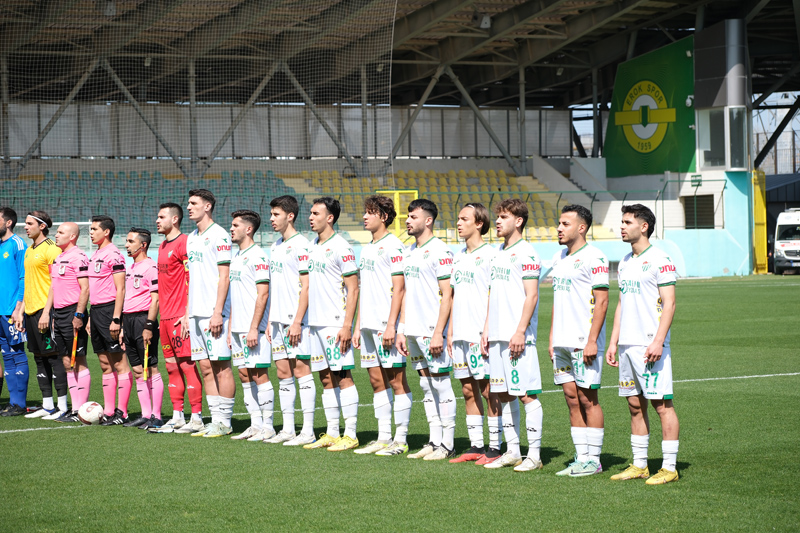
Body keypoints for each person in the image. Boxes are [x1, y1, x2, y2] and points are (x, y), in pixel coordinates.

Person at [605, 204, 680, 485]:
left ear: (644, 226)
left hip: (650, 345)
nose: (622, 227)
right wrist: (614, 341)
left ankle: (669, 468)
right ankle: (639, 465)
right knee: (635, 405)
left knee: (662, 405)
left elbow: (670, 303)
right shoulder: (625, 261)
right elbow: (622, 303)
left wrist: (658, 341)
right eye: (622, 222)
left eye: (627, 222)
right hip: (627, 345)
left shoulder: (660, 259)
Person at [480, 199, 543, 472]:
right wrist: (486, 329)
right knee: (504, 394)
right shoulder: (497, 252)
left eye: (503, 217)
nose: (497, 221)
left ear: (518, 221)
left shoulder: (527, 253)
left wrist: (520, 331)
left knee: (526, 394)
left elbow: (532, 295)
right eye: (497, 216)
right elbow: (492, 294)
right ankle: (513, 451)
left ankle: (535, 455)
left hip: (517, 336)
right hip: (497, 336)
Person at [549, 205, 609, 477]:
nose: (559, 228)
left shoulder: (595, 257)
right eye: (559, 223)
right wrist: (552, 336)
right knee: (571, 398)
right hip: (561, 341)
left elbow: (602, 301)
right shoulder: (559, 257)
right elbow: (557, 300)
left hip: (583, 341)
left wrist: (592, 341)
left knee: (588, 398)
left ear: (581, 228)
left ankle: (594, 461)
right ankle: (581, 457)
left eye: (565, 224)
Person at [396, 199, 457, 461]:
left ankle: (448, 444)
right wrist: (402, 328)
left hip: (432, 329)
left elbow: (448, 295)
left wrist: (438, 332)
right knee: (425, 383)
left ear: (428, 220)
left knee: (441, 383)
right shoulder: (409, 251)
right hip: (413, 329)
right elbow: (406, 293)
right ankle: (434, 441)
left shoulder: (440, 251)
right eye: (408, 216)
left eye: (413, 217)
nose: (408, 221)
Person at [352, 195, 412, 456]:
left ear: (384, 217)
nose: (364, 217)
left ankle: (401, 439)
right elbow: (364, 289)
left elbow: (400, 289)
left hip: (385, 325)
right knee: (377, 381)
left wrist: (392, 326)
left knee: (396, 381)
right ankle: (383, 437)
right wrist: (357, 325)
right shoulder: (367, 248)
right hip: (367, 325)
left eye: (370, 212)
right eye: (365, 212)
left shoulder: (394, 246)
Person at [447, 203, 502, 464]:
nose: (458, 223)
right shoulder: (458, 256)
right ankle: (476, 445)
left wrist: (487, 329)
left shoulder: (491, 255)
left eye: (464, 219)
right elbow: (453, 295)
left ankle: (495, 447)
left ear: (479, 223)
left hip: (480, 333)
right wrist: (450, 331)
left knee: (489, 390)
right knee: (468, 390)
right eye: (458, 219)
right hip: (459, 334)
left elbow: (494, 294)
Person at [304, 197, 360, 452]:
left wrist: (347, 325)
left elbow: (353, 289)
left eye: (316, 213)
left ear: (330, 218)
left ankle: (351, 434)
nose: (310, 217)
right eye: (310, 213)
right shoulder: (312, 246)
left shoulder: (341, 247)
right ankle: (333, 432)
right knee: (326, 378)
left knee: (342, 376)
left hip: (335, 324)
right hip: (315, 324)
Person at [264, 195, 317, 447]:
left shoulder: (302, 245)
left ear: (290, 216)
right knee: (283, 372)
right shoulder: (275, 246)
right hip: (277, 321)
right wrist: (270, 320)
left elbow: (307, 286)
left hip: (296, 321)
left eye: (276, 214)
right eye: (271, 214)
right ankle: (287, 428)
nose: (271, 219)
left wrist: (297, 321)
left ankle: (308, 430)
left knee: (301, 370)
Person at [184, 189, 234, 438]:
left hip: (214, 313)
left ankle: (225, 422)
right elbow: (192, 279)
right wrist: (187, 313)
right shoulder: (192, 237)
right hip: (195, 313)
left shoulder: (220, 235)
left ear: (207, 206)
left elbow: (224, 277)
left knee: (221, 367)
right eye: (188, 203)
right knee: (205, 367)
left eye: (193, 203)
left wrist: (218, 312)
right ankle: (215, 420)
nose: (188, 207)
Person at [153, 203, 204, 434]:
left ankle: (197, 418)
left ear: (174, 219)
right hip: (165, 318)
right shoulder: (163, 245)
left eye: (161, 217)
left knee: (187, 366)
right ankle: (177, 416)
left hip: (179, 317)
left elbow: (191, 278)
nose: (157, 220)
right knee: (172, 368)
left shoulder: (184, 243)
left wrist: (186, 313)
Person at [227, 210, 275, 442]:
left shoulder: (258, 256)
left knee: (258, 374)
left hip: (253, 328)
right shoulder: (236, 256)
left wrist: (254, 327)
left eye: (235, 225)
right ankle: (255, 425)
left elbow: (263, 294)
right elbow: (235, 296)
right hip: (237, 328)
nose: (231, 228)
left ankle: (268, 426)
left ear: (248, 229)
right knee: (244, 374)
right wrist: (230, 328)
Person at [38, 222, 90, 422]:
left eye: (61, 232)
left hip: (72, 312)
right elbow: (53, 287)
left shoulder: (79, 257)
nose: (56, 235)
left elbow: (85, 288)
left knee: (79, 360)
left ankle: (80, 411)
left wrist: (79, 315)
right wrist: (48, 313)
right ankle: (74, 409)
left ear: (72, 236)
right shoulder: (59, 257)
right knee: (67, 361)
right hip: (58, 314)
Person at [18, 211, 66, 419]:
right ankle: (47, 405)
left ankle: (62, 406)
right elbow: (29, 283)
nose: (25, 227)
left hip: (45, 311)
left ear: (42, 226)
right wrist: (20, 311)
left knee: (54, 357)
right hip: (30, 312)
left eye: (29, 224)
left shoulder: (52, 249)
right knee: (39, 358)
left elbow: (56, 284)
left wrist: (47, 312)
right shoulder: (29, 250)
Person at [86, 215, 130, 426]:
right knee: (105, 364)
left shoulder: (114, 255)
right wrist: (90, 316)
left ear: (106, 232)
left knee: (119, 362)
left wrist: (116, 318)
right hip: (96, 311)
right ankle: (109, 411)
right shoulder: (95, 254)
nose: (91, 232)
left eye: (94, 229)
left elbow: (121, 289)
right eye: (90, 229)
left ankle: (123, 412)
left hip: (109, 311)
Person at [121, 228, 164, 430]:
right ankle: (145, 414)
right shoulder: (130, 267)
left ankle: (157, 416)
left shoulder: (151, 267)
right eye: (127, 241)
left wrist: (149, 325)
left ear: (143, 245)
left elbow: (156, 300)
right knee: (138, 370)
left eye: (131, 241)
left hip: (143, 320)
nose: (127, 245)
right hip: (128, 320)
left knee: (151, 367)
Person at [0, 207, 29, 416]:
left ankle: (19, 403)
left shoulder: (18, 244)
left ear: (8, 222)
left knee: (17, 353)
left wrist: (18, 308)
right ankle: (12, 402)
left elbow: (24, 278)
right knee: (6, 356)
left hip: (11, 311)